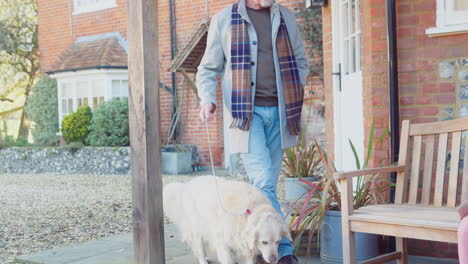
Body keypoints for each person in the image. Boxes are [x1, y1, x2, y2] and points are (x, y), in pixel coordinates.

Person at [196, 0, 308, 263]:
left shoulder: (287, 18)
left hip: (281, 114)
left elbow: (301, 61)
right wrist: (207, 99)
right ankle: (283, 252)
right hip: (246, 116)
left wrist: (296, 86)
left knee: (265, 183)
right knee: (264, 182)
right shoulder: (224, 19)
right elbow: (208, 68)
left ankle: (257, 246)